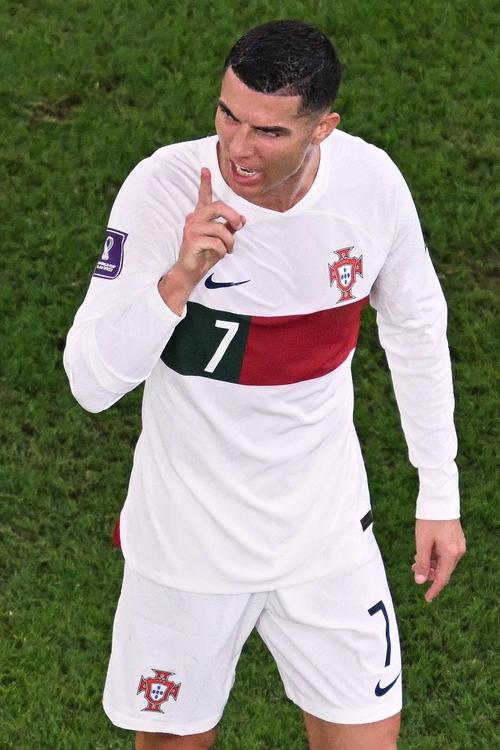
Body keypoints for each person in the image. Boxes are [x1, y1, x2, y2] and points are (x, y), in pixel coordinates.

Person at [64, 19, 466, 750]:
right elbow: (89, 383)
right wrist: (178, 279)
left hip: (325, 538)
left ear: (324, 128)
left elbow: (416, 328)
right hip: (185, 546)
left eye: (268, 133)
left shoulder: (370, 186)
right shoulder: (162, 191)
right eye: (227, 116)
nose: (238, 149)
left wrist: (439, 492)